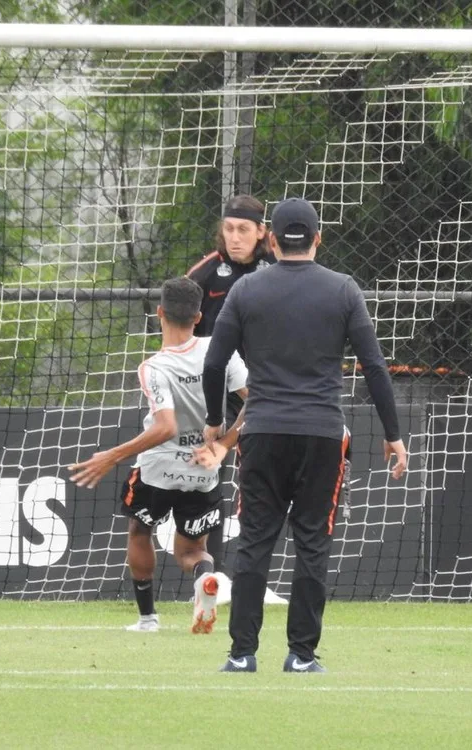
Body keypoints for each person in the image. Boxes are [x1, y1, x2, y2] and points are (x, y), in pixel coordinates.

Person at [201, 197, 408, 673]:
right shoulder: (343, 290)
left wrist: (215, 421)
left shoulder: (247, 290)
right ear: (318, 239)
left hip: (263, 431)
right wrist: (393, 434)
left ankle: (241, 654)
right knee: (314, 542)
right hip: (321, 435)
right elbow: (374, 366)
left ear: (270, 240)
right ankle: (300, 655)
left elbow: (215, 362)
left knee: (255, 541)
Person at [68, 277, 248, 634]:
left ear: (160, 313)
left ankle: (148, 618)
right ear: (198, 317)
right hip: (204, 469)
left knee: (139, 530)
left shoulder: (154, 367)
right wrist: (224, 444)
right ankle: (204, 578)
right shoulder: (221, 352)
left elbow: (164, 427)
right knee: (192, 550)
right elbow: (257, 400)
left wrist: (112, 455)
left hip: (158, 470)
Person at [187, 194, 275, 576]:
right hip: (213, 396)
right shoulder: (205, 274)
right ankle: (211, 576)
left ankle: (252, 577)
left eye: (243, 229)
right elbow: (178, 328)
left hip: (263, 394)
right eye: (229, 229)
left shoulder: (276, 271)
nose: (235, 237)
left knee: (260, 484)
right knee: (205, 484)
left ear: (261, 232)